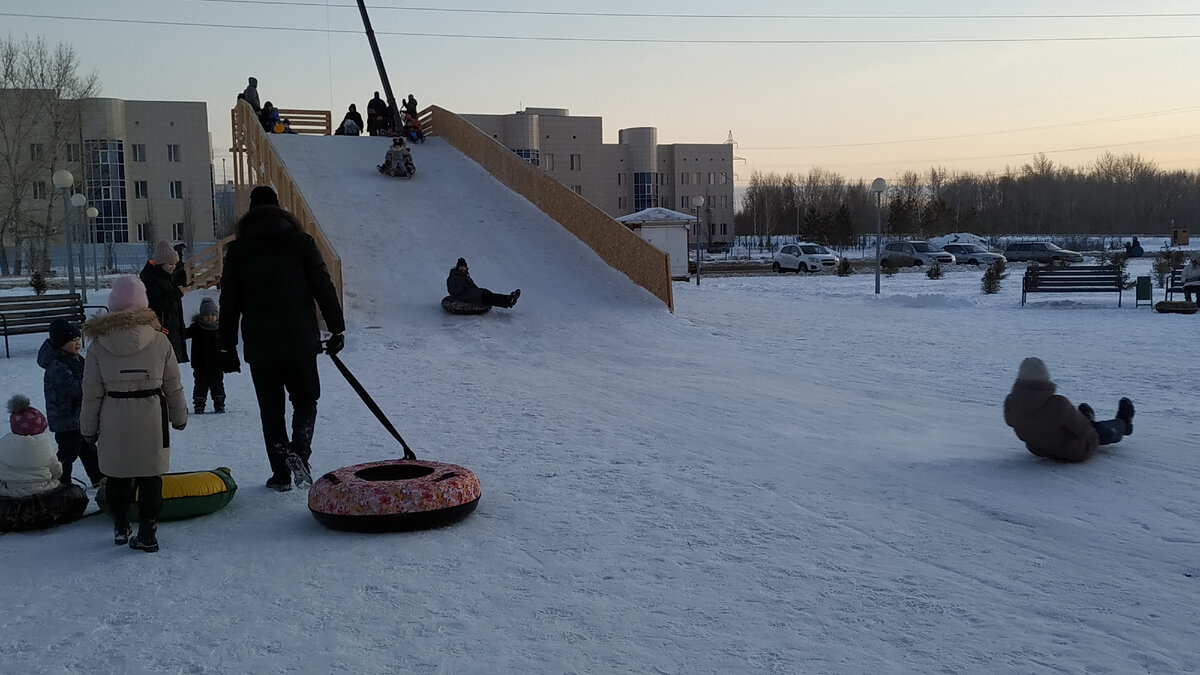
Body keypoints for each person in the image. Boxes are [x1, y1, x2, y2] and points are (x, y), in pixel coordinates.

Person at [219, 185, 345, 492]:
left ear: (250, 213)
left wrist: (225, 345)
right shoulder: (300, 242)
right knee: (305, 399)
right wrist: (337, 327)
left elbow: (229, 301)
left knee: (270, 409)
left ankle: (280, 473)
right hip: (300, 338)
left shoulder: (238, 250)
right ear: (280, 209)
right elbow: (323, 285)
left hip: (260, 346)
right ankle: (300, 450)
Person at [81, 276, 188, 552]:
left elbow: (91, 391)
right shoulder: (160, 341)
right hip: (151, 414)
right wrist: (179, 417)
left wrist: (88, 428)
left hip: (113, 414)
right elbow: (173, 385)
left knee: (117, 474)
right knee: (151, 475)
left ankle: (120, 524)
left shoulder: (97, 345)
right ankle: (148, 529)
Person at [1003, 357, 1134, 463]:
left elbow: (1015, 422)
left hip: (1038, 449)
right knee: (1100, 430)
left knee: (1054, 424)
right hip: (1072, 452)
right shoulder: (1058, 403)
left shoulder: (1010, 402)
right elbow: (1086, 431)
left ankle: (1085, 417)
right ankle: (1123, 424)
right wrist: (1092, 433)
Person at [37, 319, 104, 487]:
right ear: (60, 344)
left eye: (78, 339)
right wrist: (92, 381)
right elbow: (73, 388)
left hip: (79, 417)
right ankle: (60, 482)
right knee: (69, 452)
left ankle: (99, 477)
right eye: (72, 341)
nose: (77, 343)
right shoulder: (57, 365)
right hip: (66, 419)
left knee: (88, 449)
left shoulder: (75, 359)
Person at [0, 395, 63, 499]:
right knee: (56, 482)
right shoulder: (45, 445)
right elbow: (56, 471)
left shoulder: (3, 444)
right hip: (44, 489)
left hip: (11, 492)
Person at [140, 240, 188, 365]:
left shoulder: (166, 276)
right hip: (162, 329)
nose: (173, 267)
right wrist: (178, 293)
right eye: (170, 264)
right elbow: (157, 304)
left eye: (175, 264)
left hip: (172, 328)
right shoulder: (151, 279)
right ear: (161, 263)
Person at [186, 297, 225, 414]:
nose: (210, 318)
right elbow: (183, 334)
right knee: (200, 384)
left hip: (217, 363)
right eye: (207, 315)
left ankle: (219, 402)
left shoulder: (220, 329)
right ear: (201, 316)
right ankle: (199, 403)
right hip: (199, 363)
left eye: (213, 315)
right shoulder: (196, 328)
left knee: (217, 383)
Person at [446, 258, 520, 308]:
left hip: (471, 294)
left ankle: (509, 298)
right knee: (486, 297)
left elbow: (472, 286)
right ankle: (508, 301)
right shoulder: (453, 277)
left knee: (487, 294)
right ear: (457, 267)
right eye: (461, 267)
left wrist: (477, 291)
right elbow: (452, 291)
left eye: (464, 267)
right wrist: (462, 287)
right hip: (462, 297)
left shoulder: (465, 276)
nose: (462, 268)